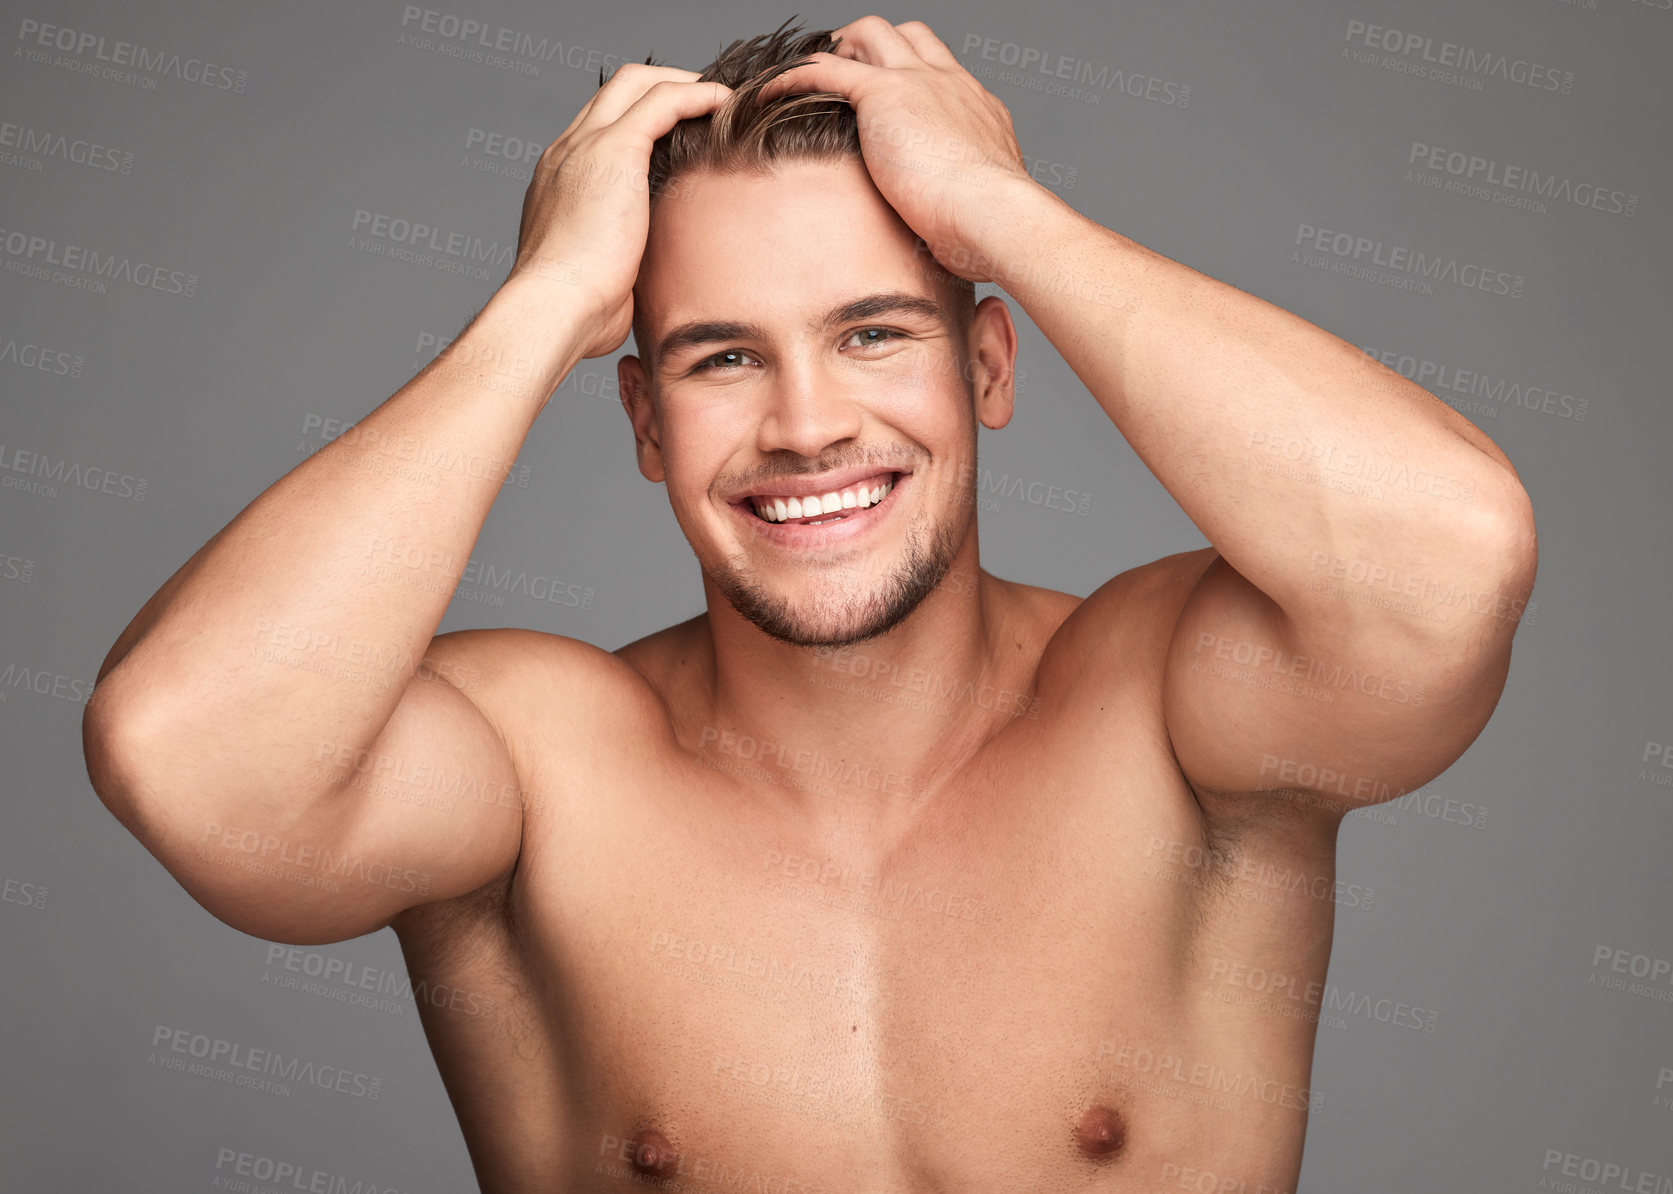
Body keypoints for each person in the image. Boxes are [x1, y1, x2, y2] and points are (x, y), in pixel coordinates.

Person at [82, 15, 1537, 1193]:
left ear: (987, 369)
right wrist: (541, 303)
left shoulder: (1164, 709)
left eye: (871, 334)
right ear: (645, 422)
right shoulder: (538, 771)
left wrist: (999, 210)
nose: (804, 424)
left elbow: (1448, 556)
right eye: (721, 358)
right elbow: (188, 758)